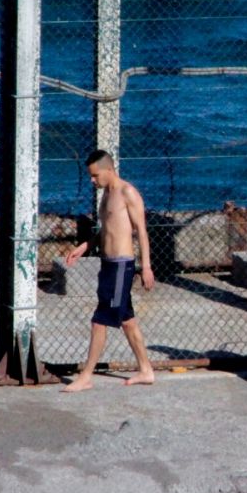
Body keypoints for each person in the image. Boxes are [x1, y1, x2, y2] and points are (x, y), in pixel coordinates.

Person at [62, 150, 156, 392]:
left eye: (95, 176)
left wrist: (146, 267)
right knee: (127, 321)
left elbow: (142, 232)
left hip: (122, 266)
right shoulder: (106, 195)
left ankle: (86, 375)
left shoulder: (127, 192)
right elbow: (106, 229)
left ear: (107, 169)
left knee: (99, 321)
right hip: (108, 264)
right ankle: (146, 370)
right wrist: (84, 246)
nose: (93, 181)